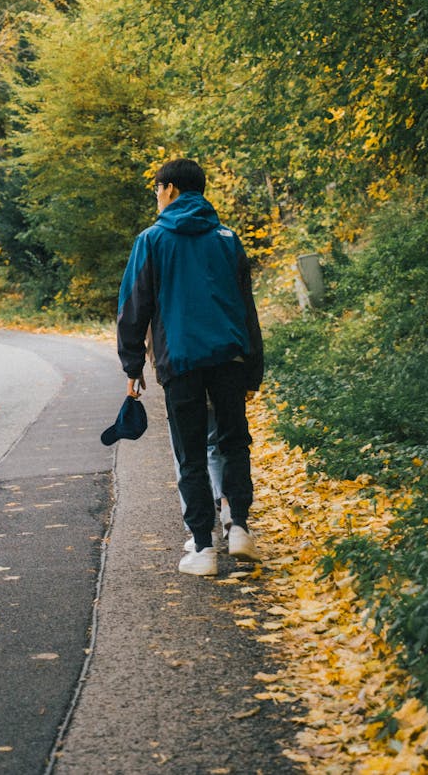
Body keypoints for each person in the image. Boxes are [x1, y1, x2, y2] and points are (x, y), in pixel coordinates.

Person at [117, 158, 263, 576]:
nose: (156, 197)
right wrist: (254, 368)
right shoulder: (227, 238)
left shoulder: (152, 239)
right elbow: (246, 309)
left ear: (170, 189)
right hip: (230, 358)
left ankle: (203, 548)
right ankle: (239, 528)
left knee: (191, 453)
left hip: (179, 360)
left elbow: (134, 307)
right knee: (234, 442)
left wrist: (132, 366)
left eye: (157, 189)